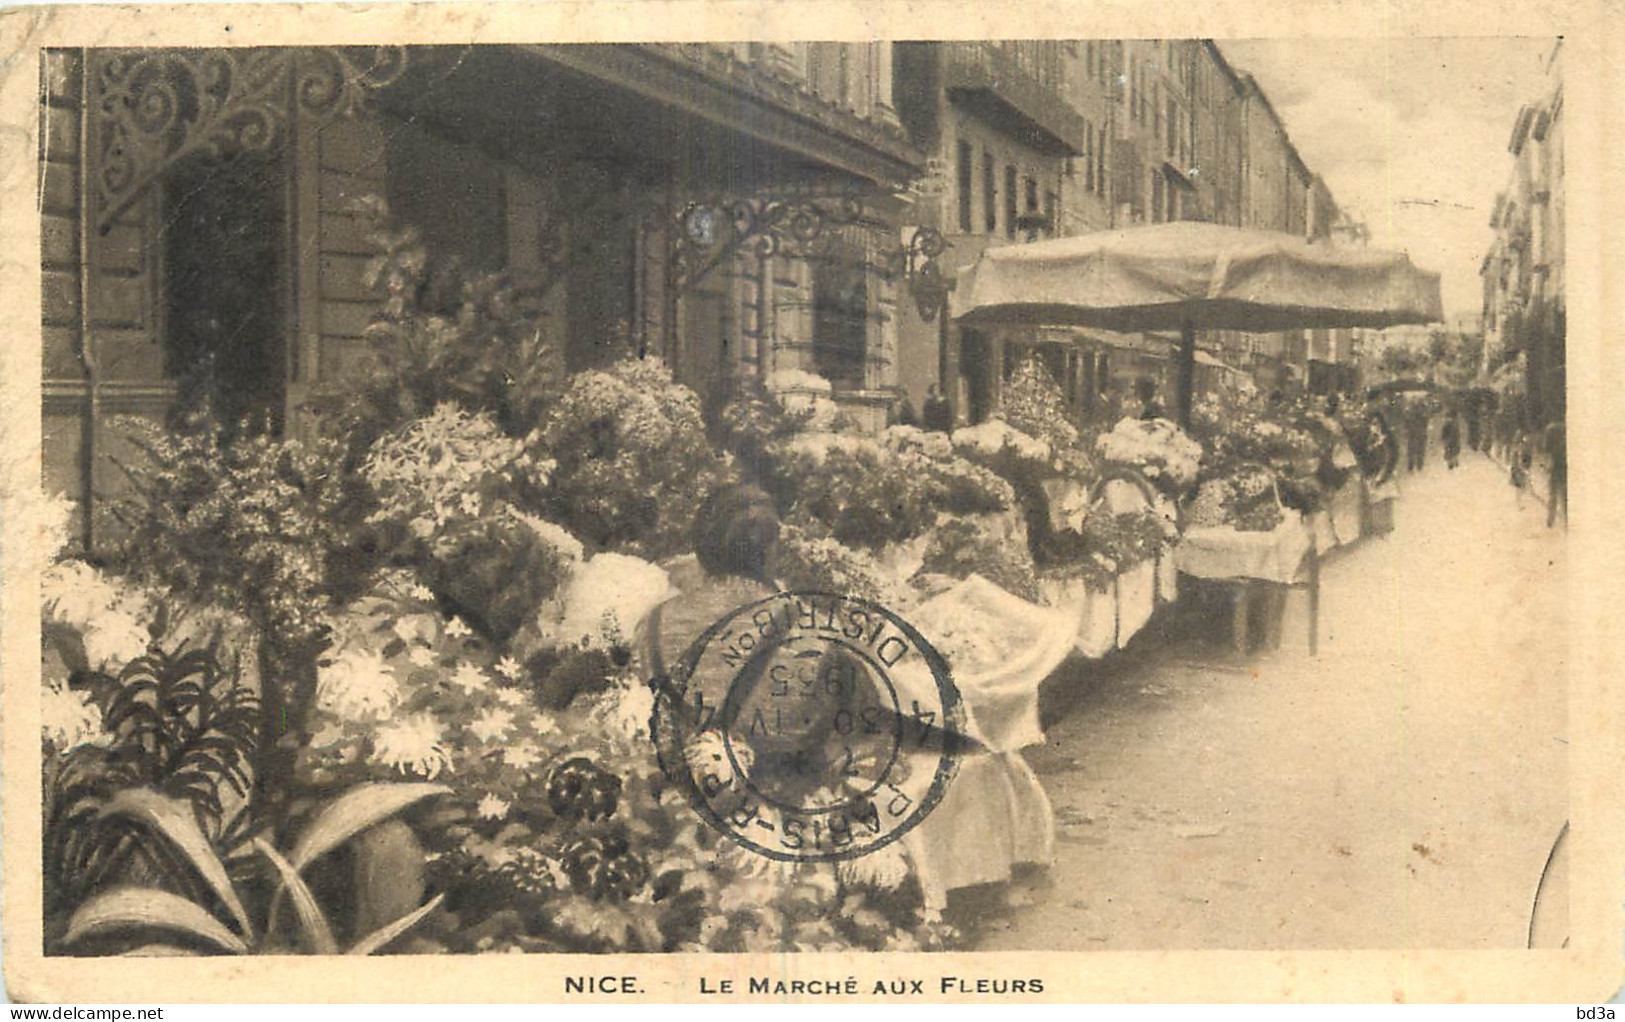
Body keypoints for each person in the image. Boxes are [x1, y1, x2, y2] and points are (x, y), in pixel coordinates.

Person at [1544, 420, 1567, 528]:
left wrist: (1547, 465)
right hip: (1564, 465)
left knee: (1553, 494)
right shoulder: (1565, 428)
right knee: (1564, 495)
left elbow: (1547, 450)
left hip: (1555, 465)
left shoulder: (1550, 429)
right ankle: (1566, 520)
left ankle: (1551, 519)